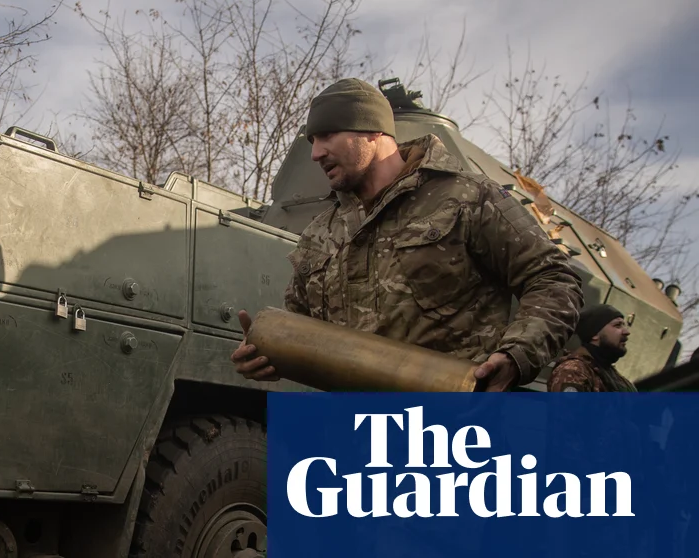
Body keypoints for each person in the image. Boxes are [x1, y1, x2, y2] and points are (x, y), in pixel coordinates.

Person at [231, 78, 584, 392]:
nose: (315, 153)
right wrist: (268, 353)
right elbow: (302, 329)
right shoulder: (320, 233)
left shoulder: (467, 197)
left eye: (326, 135)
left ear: (371, 130)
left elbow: (553, 279)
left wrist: (517, 354)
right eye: (312, 140)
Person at [546, 303, 637, 392]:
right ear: (594, 334)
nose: (626, 332)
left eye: (624, 325)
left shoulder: (615, 377)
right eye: (617, 325)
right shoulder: (574, 372)